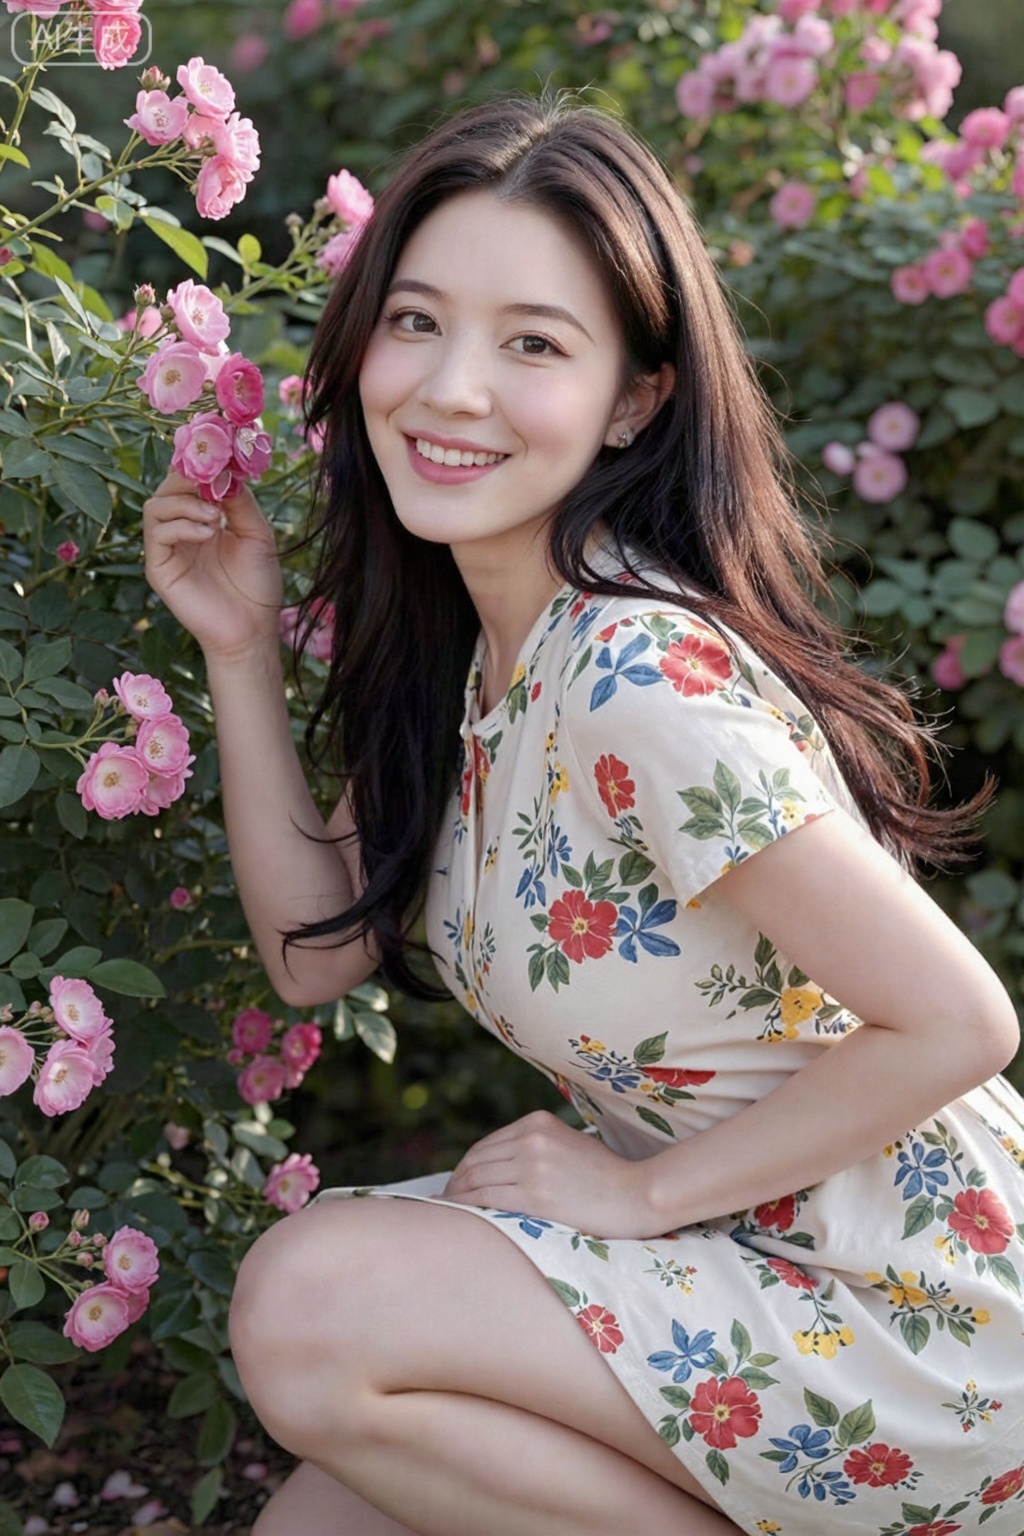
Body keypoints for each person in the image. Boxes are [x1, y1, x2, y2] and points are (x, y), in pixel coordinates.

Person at [142, 94, 1024, 1536]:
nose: (451, 388)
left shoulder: (630, 675)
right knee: (326, 1515)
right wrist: (238, 652)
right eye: (416, 322)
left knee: (311, 1307)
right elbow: (314, 956)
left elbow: (962, 1021)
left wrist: (648, 1194)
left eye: (533, 345)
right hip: (749, 1270)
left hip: (921, 1320)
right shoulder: (480, 642)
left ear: (635, 400)